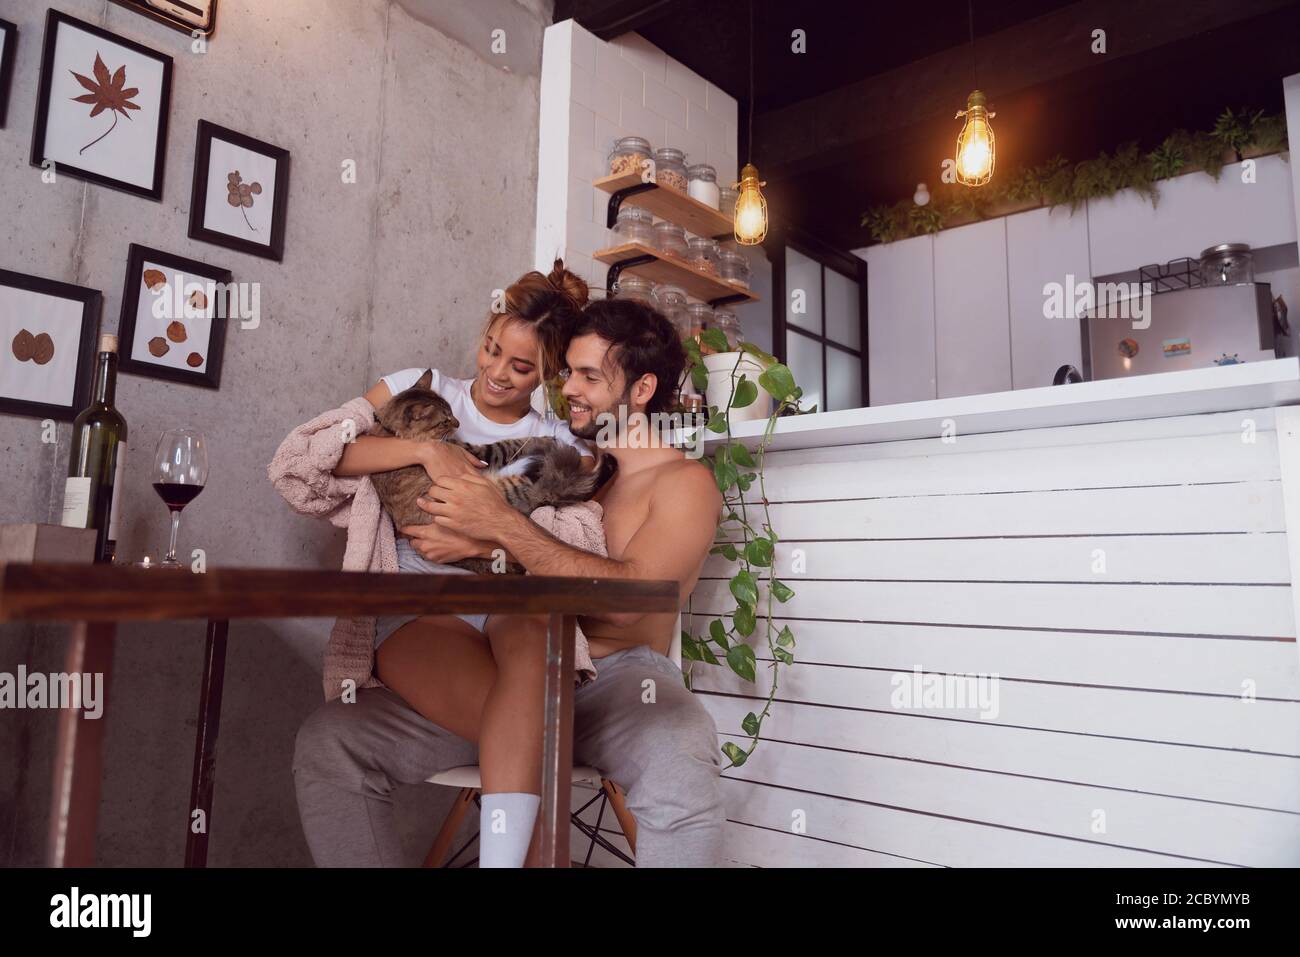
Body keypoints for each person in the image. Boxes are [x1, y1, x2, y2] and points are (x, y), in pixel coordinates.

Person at [288, 270, 726, 867]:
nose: (566, 388)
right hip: (492, 674)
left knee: (678, 744)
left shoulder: (683, 483)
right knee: (331, 739)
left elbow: (629, 601)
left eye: (588, 376)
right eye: (566, 370)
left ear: (642, 388)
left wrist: (498, 526)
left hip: (610, 683)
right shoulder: (554, 456)